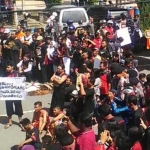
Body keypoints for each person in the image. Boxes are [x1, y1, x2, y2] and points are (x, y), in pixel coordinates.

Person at [4, 61, 23, 129]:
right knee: (8, 107)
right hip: (8, 94)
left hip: (16, 93)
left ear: (12, 67)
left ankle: (20, 122)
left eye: (8, 67)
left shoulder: (16, 73)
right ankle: (10, 121)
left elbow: (20, 82)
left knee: (18, 107)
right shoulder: (4, 74)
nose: (7, 68)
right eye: (6, 67)